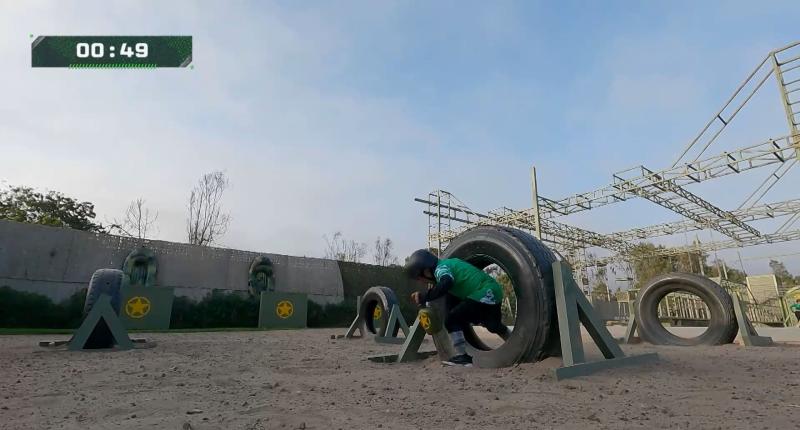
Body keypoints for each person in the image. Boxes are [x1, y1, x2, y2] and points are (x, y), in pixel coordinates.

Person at [404, 249, 510, 367]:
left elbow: (446, 283)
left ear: (426, 270)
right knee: (493, 326)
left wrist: (425, 297)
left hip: (483, 293)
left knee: (452, 320)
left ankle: (463, 357)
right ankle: (514, 345)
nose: (421, 282)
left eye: (419, 278)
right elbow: (450, 295)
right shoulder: (451, 263)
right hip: (494, 291)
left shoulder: (441, 268)